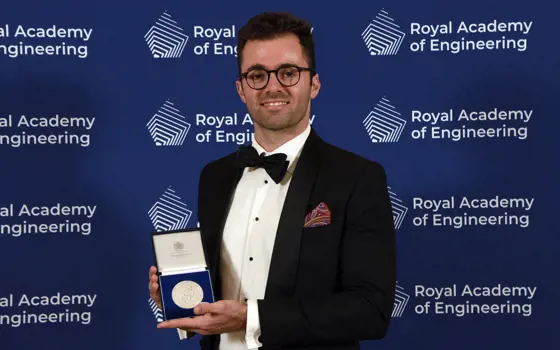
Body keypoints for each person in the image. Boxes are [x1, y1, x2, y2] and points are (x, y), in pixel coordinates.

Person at [148, 11, 396, 350]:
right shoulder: (214, 176)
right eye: (257, 75)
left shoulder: (357, 178)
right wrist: (184, 297)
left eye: (288, 72)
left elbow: (371, 311)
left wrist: (252, 318)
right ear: (240, 89)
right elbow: (215, 301)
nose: (272, 86)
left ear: (315, 83)